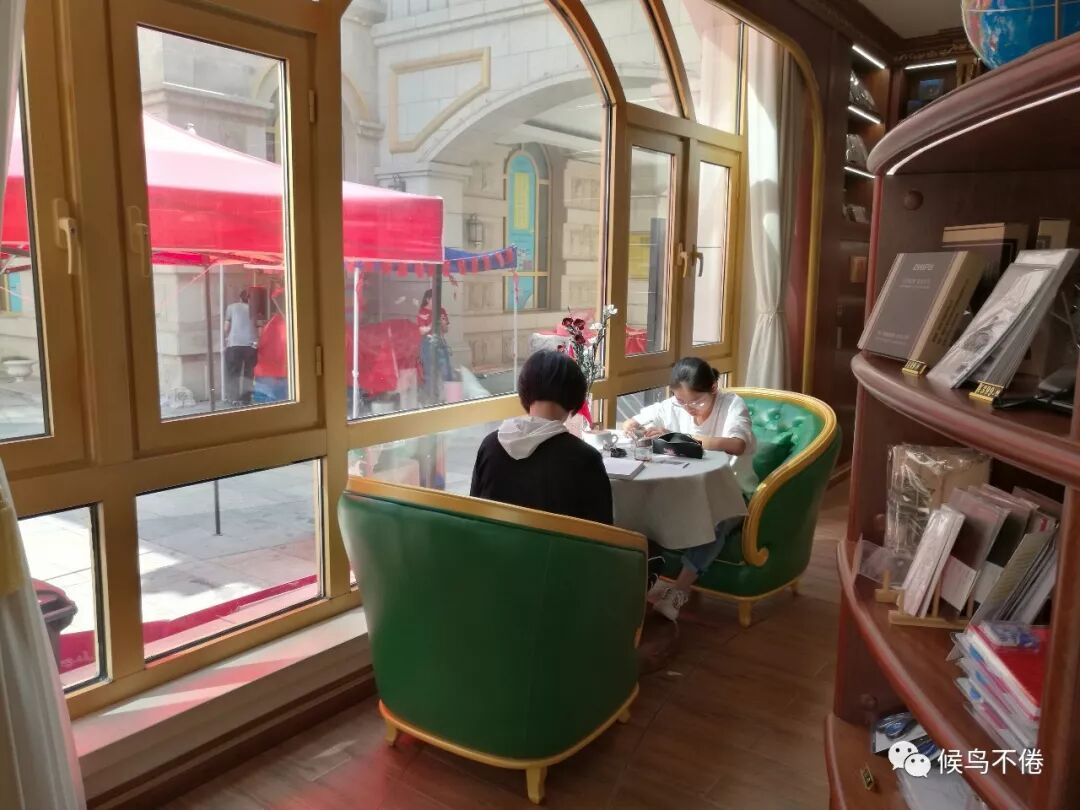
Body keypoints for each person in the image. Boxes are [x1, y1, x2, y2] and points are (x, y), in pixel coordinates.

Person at [622, 356, 758, 621]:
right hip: (685, 489)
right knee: (640, 506)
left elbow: (737, 444)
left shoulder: (731, 405)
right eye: (681, 401)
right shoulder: (674, 406)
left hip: (730, 490)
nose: (688, 409)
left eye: (696, 401)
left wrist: (682, 438)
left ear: (714, 388)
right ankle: (643, 582)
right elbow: (632, 422)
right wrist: (634, 428)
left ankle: (679, 591)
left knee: (714, 518)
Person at [471, 349, 612, 525]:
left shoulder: (490, 445)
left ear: (524, 390)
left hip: (494, 543)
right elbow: (603, 533)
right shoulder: (585, 459)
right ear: (575, 397)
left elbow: (474, 515)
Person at [224, 288, 258, 405]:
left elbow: (226, 328)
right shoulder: (255, 309)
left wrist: (227, 337)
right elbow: (259, 327)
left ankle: (233, 398)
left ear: (240, 297)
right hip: (251, 344)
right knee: (249, 373)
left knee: (233, 372)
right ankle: (246, 399)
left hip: (234, 344)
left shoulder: (231, 307)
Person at [253, 289, 287, 404]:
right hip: (278, 373)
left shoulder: (275, 322)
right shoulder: (284, 322)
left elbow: (262, 344)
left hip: (269, 373)